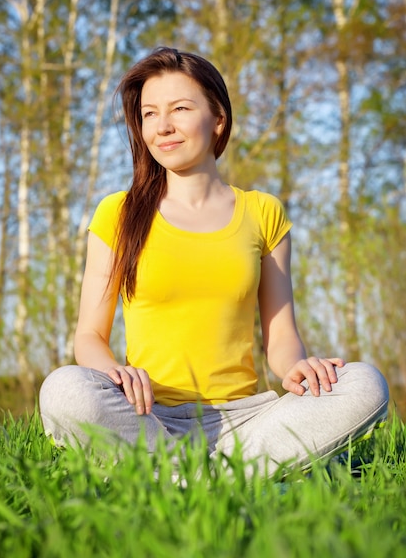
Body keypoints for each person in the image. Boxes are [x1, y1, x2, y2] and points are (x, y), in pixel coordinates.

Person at [39, 46, 389, 476]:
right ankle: (220, 476)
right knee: (64, 388)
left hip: (247, 422)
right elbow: (89, 336)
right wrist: (113, 372)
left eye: (180, 108)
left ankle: (181, 478)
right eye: (149, 114)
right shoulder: (118, 213)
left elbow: (280, 338)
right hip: (148, 417)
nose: (162, 126)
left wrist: (299, 368)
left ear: (218, 118)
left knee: (365, 383)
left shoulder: (263, 212)